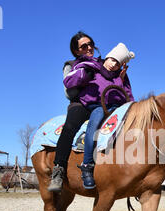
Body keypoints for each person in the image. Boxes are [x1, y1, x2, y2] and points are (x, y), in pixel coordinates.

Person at [48, 38, 135, 191]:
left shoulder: (113, 69)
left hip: (107, 105)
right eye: (84, 46)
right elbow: (69, 88)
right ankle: (59, 169)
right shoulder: (78, 64)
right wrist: (84, 74)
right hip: (82, 103)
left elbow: (127, 94)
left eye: (91, 45)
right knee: (70, 128)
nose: (89, 48)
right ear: (76, 50)